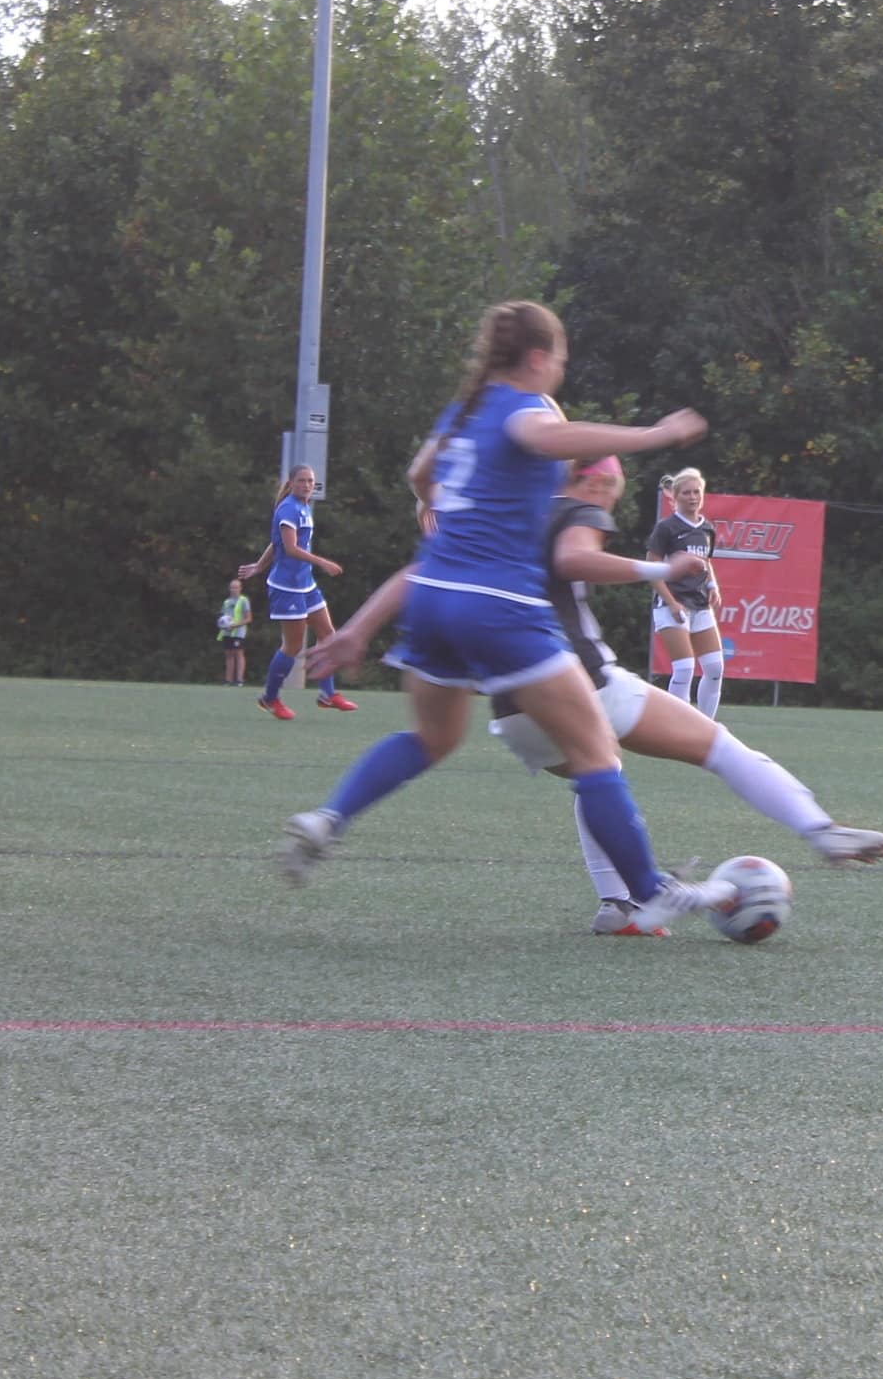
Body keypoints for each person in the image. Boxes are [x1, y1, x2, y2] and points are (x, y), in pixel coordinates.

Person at [272, 299, 737, 936]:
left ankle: (329, 818)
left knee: (430, 738)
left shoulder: (461, 414)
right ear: (540, 358)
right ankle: (649, 891)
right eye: (561, 361)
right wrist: (655, 435)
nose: (559, 374)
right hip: (499, 605)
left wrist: (364, 621)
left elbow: (419, 473)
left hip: (431, 593)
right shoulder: (527, 407)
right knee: (595, 750)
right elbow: (550, 438)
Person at [313, 453, 883, 936]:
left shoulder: (500, 520)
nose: (613, 498)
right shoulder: (576, 506)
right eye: (613, 485)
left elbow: (424, 541)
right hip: (578, 679)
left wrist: (358, 630)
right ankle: (821, 830)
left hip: (513, 710)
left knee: (598, 774)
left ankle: (618, 905)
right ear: (594, 478)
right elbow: (571, 557)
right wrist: (657, 569)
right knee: (719, 747)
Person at [240, 466, 355, 719]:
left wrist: (259, 566)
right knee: (292, 645)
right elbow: (289, 548)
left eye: (310, 481)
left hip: (305, 584)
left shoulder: (304, 507)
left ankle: (328, 694)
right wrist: (322, 562)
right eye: (301, 481)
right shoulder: (288, 508)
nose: (306, 485)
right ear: (291, 483)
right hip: (286, 587)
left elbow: (276, 543)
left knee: (328, 636)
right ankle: (270, 698)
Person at [646, 467, 725, 717]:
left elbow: (705, 562)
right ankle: (676, 726)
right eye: (687, 493)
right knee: (684, 668)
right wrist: (671, 603)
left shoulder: (707, 529)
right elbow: (652, 568)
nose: (693, 497)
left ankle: (706, 726)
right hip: (672, 604)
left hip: (700, 604)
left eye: (697, 492)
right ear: (676, 497)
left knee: (714, 668)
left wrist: (712, 585)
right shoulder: (666, 528)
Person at [217, 577, 253, 686]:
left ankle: (239, 680)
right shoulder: (226, 602)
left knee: (239, 653)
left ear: (240, 588)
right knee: (229, 654)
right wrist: (223, 625)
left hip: (239, 633)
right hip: (227, 633)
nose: (234, 589)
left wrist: (235, 625)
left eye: (236, 587)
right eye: (232, 587)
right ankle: (228, 680)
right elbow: (223, 617)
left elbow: (249, 618)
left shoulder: (243, 600)